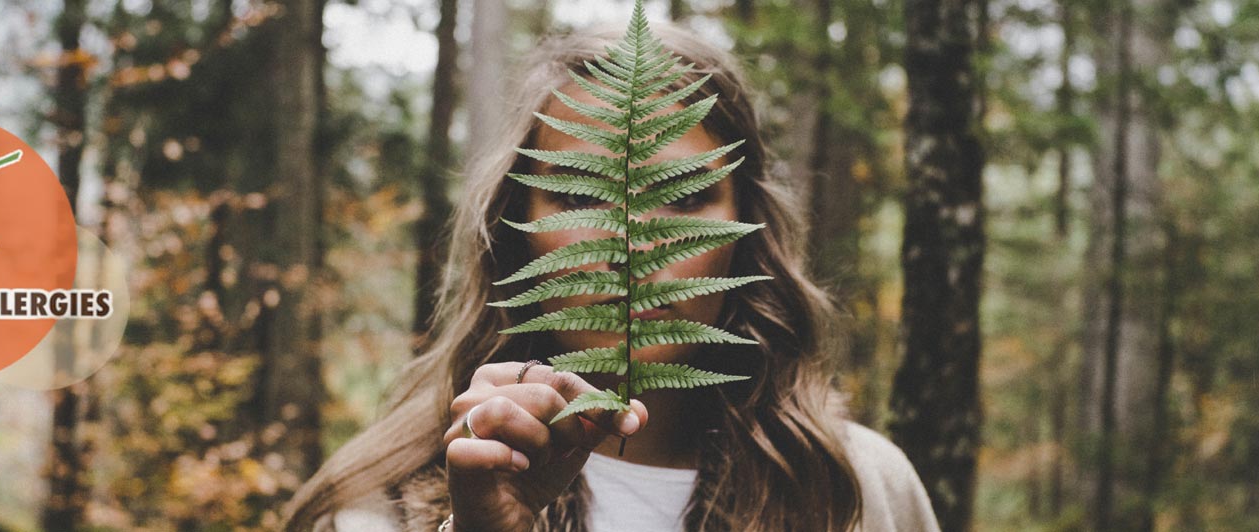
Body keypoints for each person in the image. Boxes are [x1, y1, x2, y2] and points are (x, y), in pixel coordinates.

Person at [283, 20, 941, 532]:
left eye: (684, 197)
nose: (629, 243)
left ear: (748, 231)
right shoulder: (379, 504)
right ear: (517, 225)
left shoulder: (860, 489)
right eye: (578, 197)